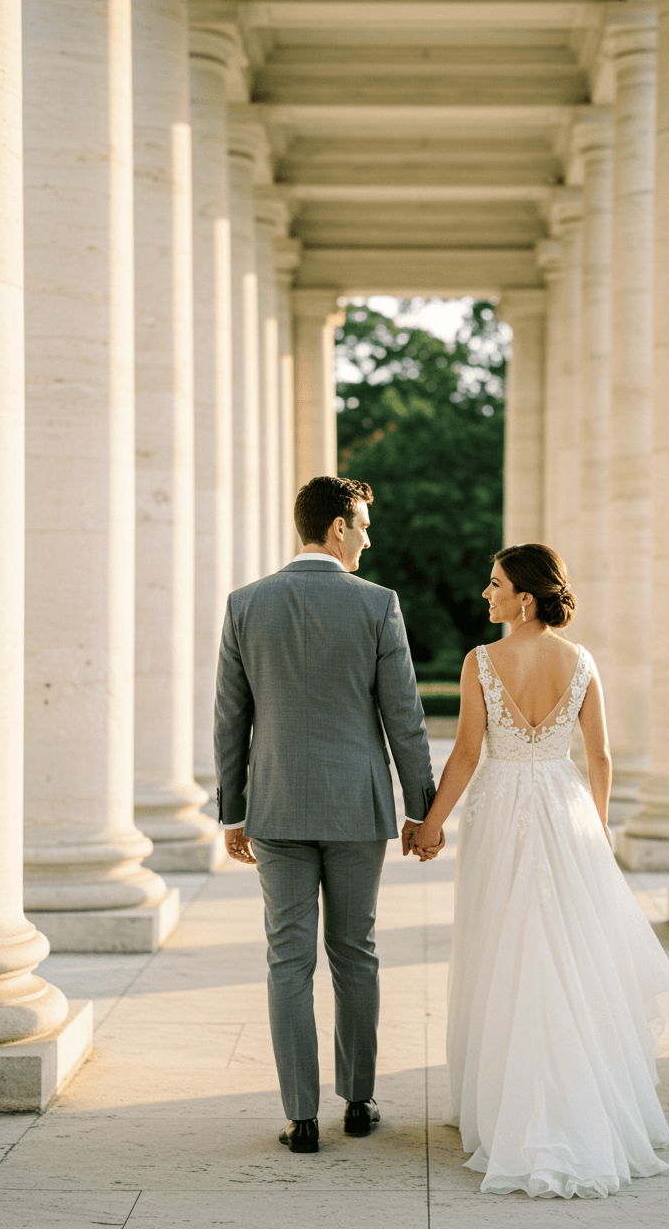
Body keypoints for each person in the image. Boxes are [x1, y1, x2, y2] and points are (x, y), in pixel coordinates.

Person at [409, 543, 669, 1199]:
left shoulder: (484, 661)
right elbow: (601, 755)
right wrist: (595, 826)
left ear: (524, 599)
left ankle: (506, 1105)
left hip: (502, 807)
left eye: (495, 583)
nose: (486, 593)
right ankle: (579, 1094)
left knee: (503, 945)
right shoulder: (581, 660)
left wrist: (430, 824)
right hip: (565, 808)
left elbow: (469, 755)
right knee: (568, 949)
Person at [214, 475, 443, 1155]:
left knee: (288, 959)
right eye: (364, 524)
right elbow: (404, 717)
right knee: (356, 953)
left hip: (276, 806)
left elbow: (231, 720)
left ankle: (301, 1117)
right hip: (356, 807)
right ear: (338, 525)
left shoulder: (245, 604)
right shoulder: (378, 605)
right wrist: (420, 811)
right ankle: (361, 1100)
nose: (369, 537)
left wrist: (233, 810)